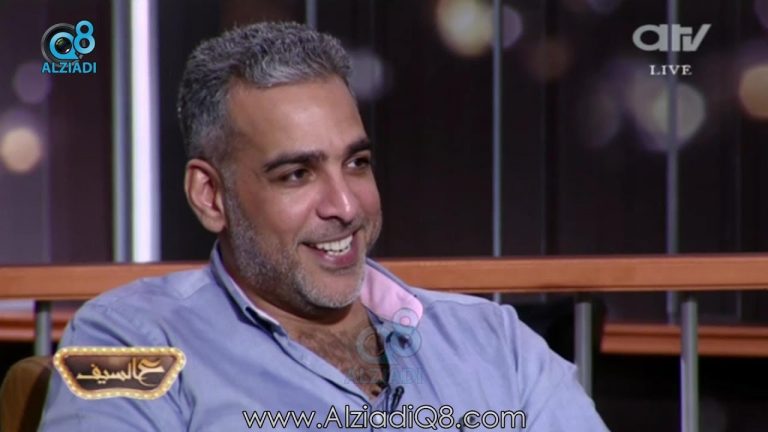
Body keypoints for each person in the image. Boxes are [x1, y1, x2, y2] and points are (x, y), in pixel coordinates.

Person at [40, 22, 609, 431]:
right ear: (210, 196)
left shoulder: (496, 342)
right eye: (296, 174)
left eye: (357, 163)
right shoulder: (132, 339)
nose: (345, 205)